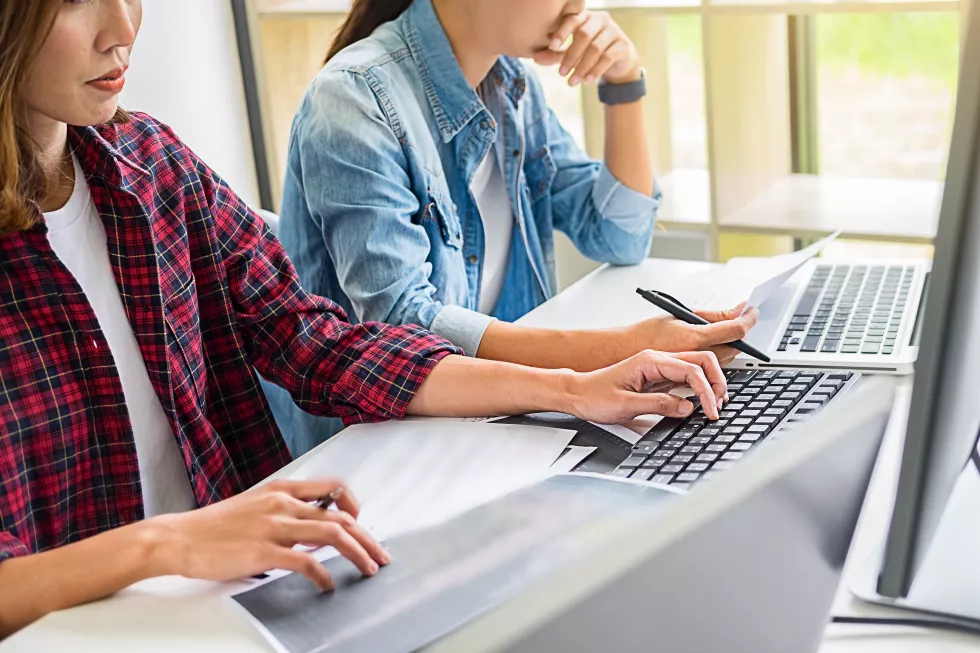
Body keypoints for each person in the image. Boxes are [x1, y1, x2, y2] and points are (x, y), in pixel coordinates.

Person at [0, 0, 731, 637]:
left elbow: (318, 341)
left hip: (249, 599)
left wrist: (576, 388)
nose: (123, 27)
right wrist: (166, 544)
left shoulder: (153, 166)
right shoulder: (358, 96)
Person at [270, 0, 758, 454]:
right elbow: (404, 331)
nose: (577, 6)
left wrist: (623, 81)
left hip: (496, 423)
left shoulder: (509, 84)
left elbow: (618, 235)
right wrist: (620, 347)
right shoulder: (354, 100)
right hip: (379, 454)